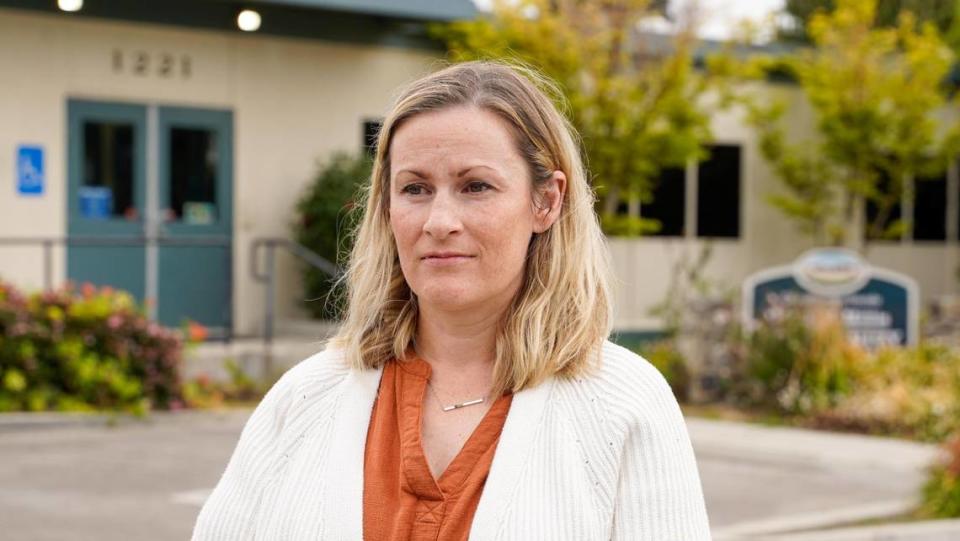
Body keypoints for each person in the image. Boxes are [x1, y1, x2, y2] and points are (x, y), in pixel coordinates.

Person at [192, 60, 712, 540]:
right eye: (415, 189)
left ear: (546, 202)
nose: (439, 222)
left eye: (476, 187)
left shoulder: (622, 403)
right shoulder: (306, 397)